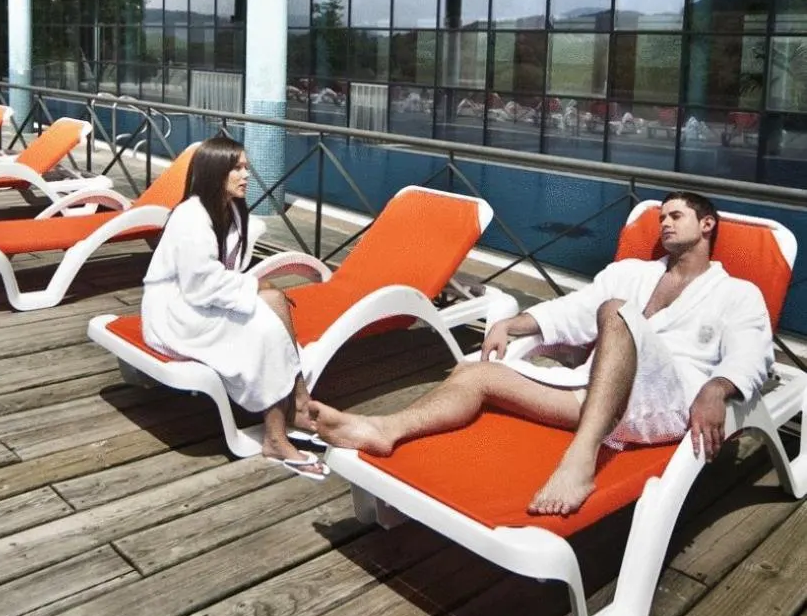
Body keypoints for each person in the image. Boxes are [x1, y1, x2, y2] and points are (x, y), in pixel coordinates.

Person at [313, 193, 773, 516]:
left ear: (707, 224)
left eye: (676, 216)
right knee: (477, 373)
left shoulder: (737, 293)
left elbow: (753, 350)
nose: (666, 224)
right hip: (599, 397)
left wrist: (717, 387)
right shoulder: (632, 273)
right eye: (661, 219)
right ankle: (385, 429)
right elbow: (574, 310)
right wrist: (513, 323)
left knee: (615, 312)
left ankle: (580, 461)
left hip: (668, 403)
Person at [141, 135, 324, 467]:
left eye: (245, 167)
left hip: (199, 303)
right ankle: (288, 415)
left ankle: (288, 415)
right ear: (215, 172)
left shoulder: (231, 210)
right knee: (265, 326)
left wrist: (253, 287)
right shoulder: (190, 216)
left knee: (271, 307)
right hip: (173, 312)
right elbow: (200, 284)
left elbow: (221, 276)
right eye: (237, 168)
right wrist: (252, 285)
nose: (246, 175)